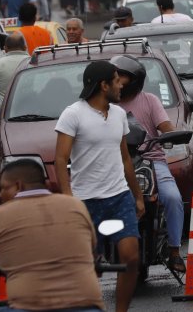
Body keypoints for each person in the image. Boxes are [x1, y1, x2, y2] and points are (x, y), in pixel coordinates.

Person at [54, 60, 144, 312]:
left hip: (119, 197)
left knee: (131, 258)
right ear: (104, 85)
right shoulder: (73, 114)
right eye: (116, 80)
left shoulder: (119, 114)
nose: (121, 85)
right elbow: (60, 159)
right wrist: (68, 199)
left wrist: (137, 195)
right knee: (89, 268)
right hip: (85, 202)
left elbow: (125, 158)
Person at [0, 159, 104, 312]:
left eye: (4, 188)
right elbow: (93, 251)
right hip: (85, 306)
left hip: (28, 307)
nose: (0, 195)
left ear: (19, 186)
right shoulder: (76, 206)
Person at [112, 55, 186, 274]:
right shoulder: (106, 104)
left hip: (152, 161)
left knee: (172, 197)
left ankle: (174, 251)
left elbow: (166, 127)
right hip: (116, 164)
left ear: (134, 79)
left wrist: (173, 134)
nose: (117, 81)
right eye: (114, 76)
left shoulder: (149, 100)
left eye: (121, 76)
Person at [0, 33, 28, 114]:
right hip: (34, 113)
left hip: (7, 116)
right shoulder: (34, 63)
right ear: (25, 48)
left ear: (5, 49)